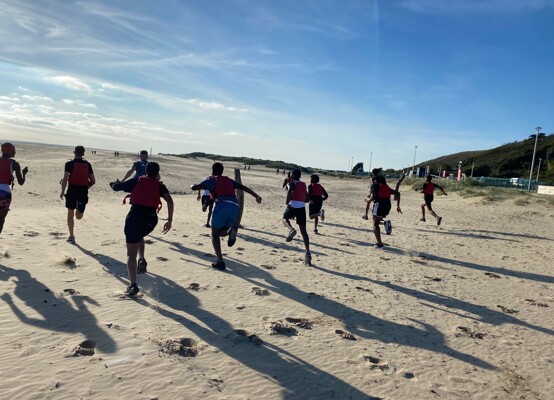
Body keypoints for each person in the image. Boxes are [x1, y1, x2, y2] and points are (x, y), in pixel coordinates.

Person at [112, 162, 173, 296]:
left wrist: (114, 184)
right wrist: (169, 220)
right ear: (158, 173)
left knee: (131, 253)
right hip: (151, 220)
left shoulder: (137, 181)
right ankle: (142, 258)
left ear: (145, 171)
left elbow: (117, 188)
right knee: (139, 235)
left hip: (135, 217)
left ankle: (133, 285)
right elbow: (170, 200)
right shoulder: (160, 186)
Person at [190, 162, 262, 271]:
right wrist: (256, 196)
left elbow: (195, 187)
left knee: (214, 235)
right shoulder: (229, 180)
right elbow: (243, 187)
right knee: (221, 232)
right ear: (222, 171)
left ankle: (220, 262)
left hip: (222, 206)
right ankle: (230, 231)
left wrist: (192, 185)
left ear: (213, 171)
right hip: (234, 207)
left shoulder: (212, 180)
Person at [60, 146, 95, 244]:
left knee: (70, 215)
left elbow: (65, 178)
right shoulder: (88, 164)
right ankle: (80, 207)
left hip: (72, 190)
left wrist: (62, 191)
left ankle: (71, 236)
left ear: (74, 152)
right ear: (83, 154)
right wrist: (86, 186)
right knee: (79, 216)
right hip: (83, 191)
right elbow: (93, 180)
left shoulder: (69, 164)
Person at [283, 168, 312, 265]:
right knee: (304, 232)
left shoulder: (291, 183)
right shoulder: (303, 184)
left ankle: (291, 230)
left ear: (292, 176)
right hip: (301, 207)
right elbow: (307, 199)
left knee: (284, 218)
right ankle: (308, 252)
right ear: (300, 176)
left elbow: (289, 190)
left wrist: (287, 202)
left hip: (293, 205)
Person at [0, 143, 28, 235]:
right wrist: (24, 174)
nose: (15, 153)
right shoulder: (15, 164)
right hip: (5, 194)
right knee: (1, 220)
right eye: (13, 151)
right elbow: (21, 182)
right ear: (10, 151)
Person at [367, 175, 401, 248]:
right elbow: (398, 193)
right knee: (376, 220)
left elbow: (373, 197)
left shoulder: (376, 186)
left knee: (375, 224)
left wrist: (368, 200)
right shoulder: (386, 187)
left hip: (379, 204)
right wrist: (398, 206)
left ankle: (379, 244)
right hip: (387, 204)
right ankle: (385, 223)